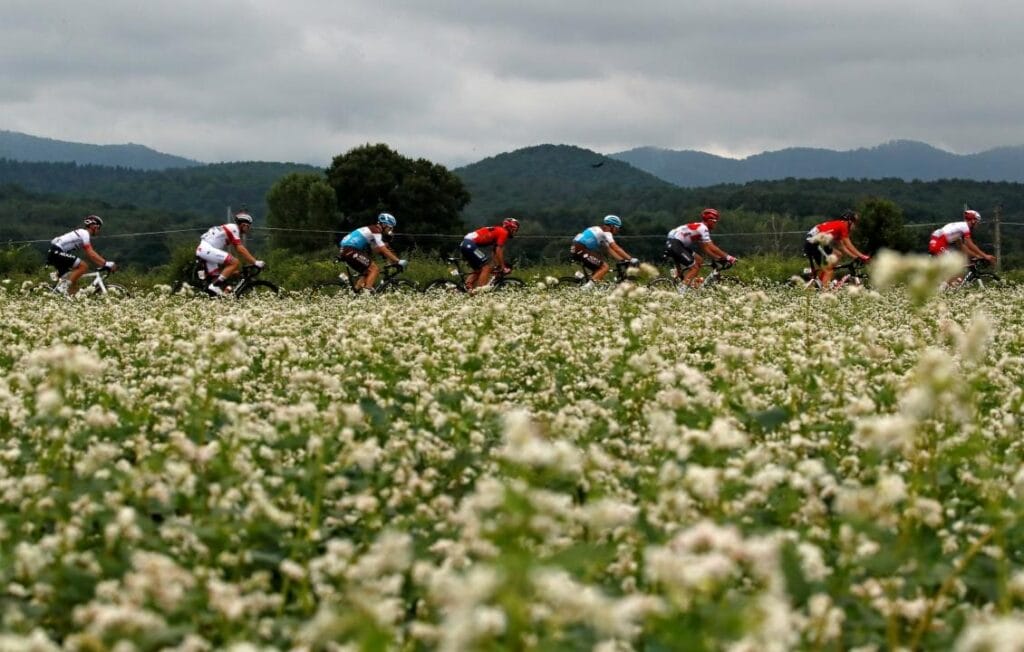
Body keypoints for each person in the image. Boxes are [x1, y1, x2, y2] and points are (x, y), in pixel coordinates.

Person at [665, 208, 737, 291]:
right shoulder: (703, 228)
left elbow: (705, 248)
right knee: (694, 267)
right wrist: (728, 257)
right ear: (710, 220)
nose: (715, 224)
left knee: (699, 260)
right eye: (715, 221)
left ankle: (693, 283)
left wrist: (717, 258)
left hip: (676, 243)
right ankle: (681, 293)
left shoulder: (700, 228)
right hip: (675, 244)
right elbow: (711, 246)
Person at [196, 211, 264, 296]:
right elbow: (240, 248)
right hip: (206, 249)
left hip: (206, 249)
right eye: (248, 226)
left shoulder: (231, 229)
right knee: (234, 262)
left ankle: (213, 294)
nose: (248, 228)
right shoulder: (234, 228)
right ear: (243, 225)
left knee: (218, 279)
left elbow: (237, 249)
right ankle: (215, 286)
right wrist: (255, 262)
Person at [48, 215, 116, 296]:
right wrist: (106, 263)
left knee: (72, 282)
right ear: (93, 226)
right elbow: (90, 253)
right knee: (83, 266)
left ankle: (69, 299)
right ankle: (63, 288)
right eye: (99, 228)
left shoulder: (81, 234)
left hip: (55, 252)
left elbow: (90, 255)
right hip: (56, 252)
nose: (99, 231)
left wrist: (102, 263)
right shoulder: (84, 234)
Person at [339, 212, 407, 292]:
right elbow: (382, 248)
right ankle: (367, 296)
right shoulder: (375, 230)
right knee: (374, 269)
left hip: (347, 250)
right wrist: (397, 261)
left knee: (367, 272)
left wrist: (387, 249)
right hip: (351, 249)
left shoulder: (372, 231)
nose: (391, 231)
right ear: (384, 225)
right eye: (390, 228)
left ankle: (356, 293)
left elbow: (376, 249)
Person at [804, 210, 870, 288]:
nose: (855, 226)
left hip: (817, 241)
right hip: (814, 243)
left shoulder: (838, 226)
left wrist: (856, 257)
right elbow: (848, 244)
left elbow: (842, 247)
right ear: (849, 221)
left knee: (838, 254)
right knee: (829, 271)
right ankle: (825, 292)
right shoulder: (843, 225)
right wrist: (862, 256)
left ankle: (822, 278)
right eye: (855, 223)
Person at [571, 215, 638, 288]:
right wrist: (630, 259)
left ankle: (587, 285)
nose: (617, 230)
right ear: (612, 226)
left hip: (577, 249)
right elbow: (616, 248)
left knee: (599, 275)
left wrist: (622, 260)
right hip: (581, 249)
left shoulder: (598, 230)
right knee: (604, 267)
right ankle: (584, 289)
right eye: (617, 227)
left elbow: (608, 249)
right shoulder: (606, 233)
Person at [461, 218, 519, 291]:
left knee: (479, 269)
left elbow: (494, 252)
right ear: (509, 228)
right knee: (486, 267)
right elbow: (499, 251)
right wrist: (503, 267)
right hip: (469, 244)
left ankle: (467, 288)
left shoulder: (499, 231)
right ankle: (480, 291)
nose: (515, 232)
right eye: (514, 229)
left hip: (466, 244)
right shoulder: (504, 232)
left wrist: (497, 265)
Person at [929, 209, 996, 263]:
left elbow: (962, 247)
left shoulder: (959, 228)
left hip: (936, 241)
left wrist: (976, 256)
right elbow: (970, 244)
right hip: (939, 243)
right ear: (973, 221)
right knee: (956, 266)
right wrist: (985, 256)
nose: (978, 224)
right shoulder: (965, 227)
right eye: (977, 222)